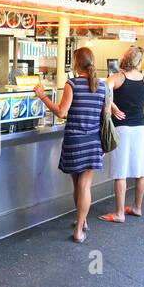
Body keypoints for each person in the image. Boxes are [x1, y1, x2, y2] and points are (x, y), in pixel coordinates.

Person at [35, 46, 105, 243]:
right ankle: (81, 225)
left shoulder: (71, 84)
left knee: (78, 185)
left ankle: (79, 226)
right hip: (93, 141)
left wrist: (43, 96)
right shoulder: (103, 86)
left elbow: (61, 112)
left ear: (76, 63)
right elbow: (104, 117)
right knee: (85, 186)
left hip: (75, 141)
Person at [101, 45, 144, 222]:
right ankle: (137, 207)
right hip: (140, 129)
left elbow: (104, 93)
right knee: (141, 172)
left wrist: (114, 107)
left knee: (120, 172)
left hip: (121, 128)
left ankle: (119, 213)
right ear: (139, 61)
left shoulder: (117, 78)